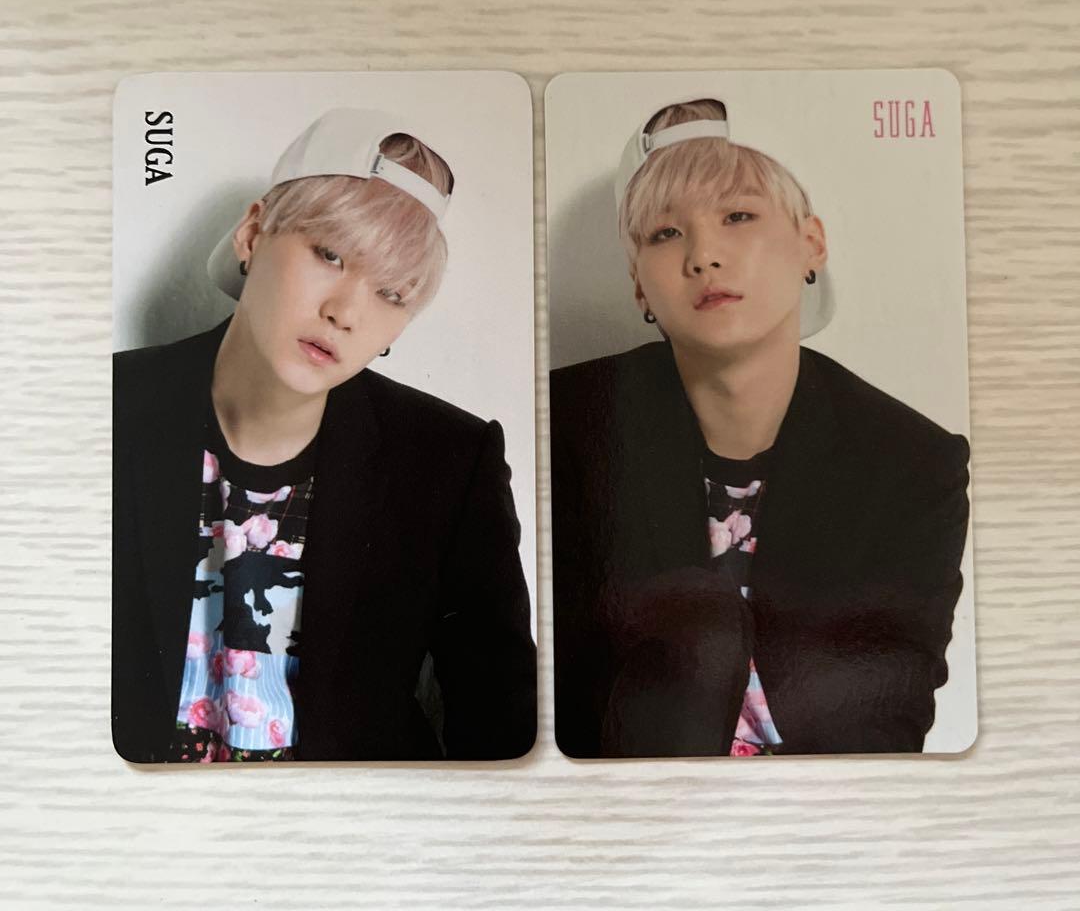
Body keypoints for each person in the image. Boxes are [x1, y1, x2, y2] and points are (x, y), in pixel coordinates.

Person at [113, 108, 536, 763]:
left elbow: (503, 727)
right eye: (329, 254)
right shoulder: (110, 402)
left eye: (391, 293)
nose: (345, 312)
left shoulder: (451, 461)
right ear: (253, 233)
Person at [550, 98, 970, 758]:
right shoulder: (563, 427)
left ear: (812, 243)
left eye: (738, 216)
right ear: (638, 284)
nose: (703, 256)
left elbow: (892, 705)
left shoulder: (913, 461)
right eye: (666, 233)